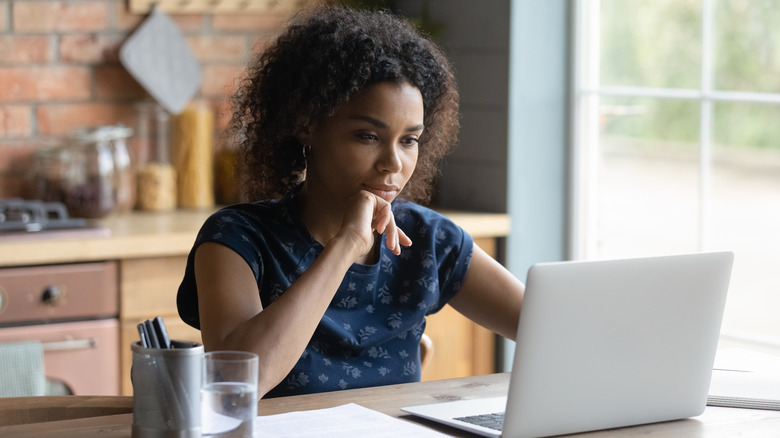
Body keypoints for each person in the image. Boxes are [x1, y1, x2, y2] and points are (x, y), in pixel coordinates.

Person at [177, 4, 524, 399]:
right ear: (307, 125)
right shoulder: (236, 239)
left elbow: (556, 332)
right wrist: (347, 244)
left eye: (409, 140)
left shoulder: (428, 240)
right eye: (367, 136)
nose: (394, 162)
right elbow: (237, 383)